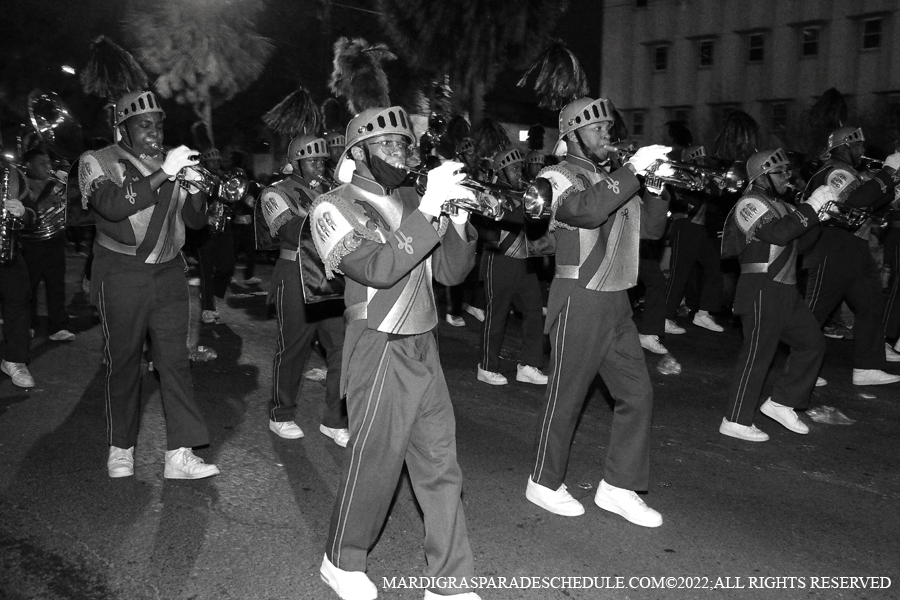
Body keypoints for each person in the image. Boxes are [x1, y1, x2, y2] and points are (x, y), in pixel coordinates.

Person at [310, 104, 481, 600]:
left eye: (405, 143)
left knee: (440, 463)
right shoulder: (332, 207)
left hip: (424, 340)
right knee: (376, 461)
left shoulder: (412, 197)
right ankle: (341, 560)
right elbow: (378, 269)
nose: (401, 152)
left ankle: (449, 581)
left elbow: (450, 273)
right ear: (358, 152)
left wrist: (458, 220)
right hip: (378, 341)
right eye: (388, 143)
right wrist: (430, 211)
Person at [526, 96, 670, 528]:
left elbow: (653, 231)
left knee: (638, 394)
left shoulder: (613, 178)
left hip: (617, 298)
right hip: (580, 297)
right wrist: (632, 173)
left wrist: (656, 187)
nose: (607, 135)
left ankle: (618, 486)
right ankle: (543, 482)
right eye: (596, 128)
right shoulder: (556, 175)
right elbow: (585, 212)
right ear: (572, 135)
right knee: (567, 396)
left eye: (608, 127)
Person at [78, 90, 219, 480]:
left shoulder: (170, 161)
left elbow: (196, 223)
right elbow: (112, 206)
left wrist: (196, 191)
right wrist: (164, 174)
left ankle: (180, 453)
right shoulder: (96, 160)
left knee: (175, 362)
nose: (154, 133)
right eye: (144, 125)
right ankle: (121, 446)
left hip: (169, 271)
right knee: (124, 362)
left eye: (158, 125)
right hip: (121, 273)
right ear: (122, 128)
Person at [719, 149, 832, 442]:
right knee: (758, 356)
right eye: (781, 173)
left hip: (786, 289)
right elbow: (778, 234)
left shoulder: (783, 205)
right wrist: (810, 207)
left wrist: (818, 217)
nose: (787, 178)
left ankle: (781, 401)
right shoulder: (749, 202)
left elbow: (799, 244)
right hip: (761, 287)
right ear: (762, 176)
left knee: (812, 343)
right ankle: (735, 420)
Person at [259, 135, 348, 446]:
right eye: (312, 161)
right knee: (294, 348)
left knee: (342, 348)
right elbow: (292, 229)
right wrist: (338, 209)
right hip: (295, 272)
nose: (319, 166)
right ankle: (280, 414)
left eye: (322, 161)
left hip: (330, 275)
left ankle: (335, 420)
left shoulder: (333, 190)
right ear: (295, 163)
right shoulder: (274, 192)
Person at [802, 127, 900, 385]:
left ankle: (867, 367)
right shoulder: (835, 171)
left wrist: (892, 189)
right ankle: (800, 370)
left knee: (871, 305)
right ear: (845, 146)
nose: (863, 150)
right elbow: (856, 201)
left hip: (854, 247)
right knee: (815, 311)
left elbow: (867, 204)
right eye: (858, 145)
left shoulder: (848, 172)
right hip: (832, 247)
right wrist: (888, 173)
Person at [476, 148, 548, 385]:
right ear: (501, 171)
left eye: (520, 167)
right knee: (497, 314)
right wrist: (527, 206)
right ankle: (486, 366)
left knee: (534, 311)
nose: (519, 172)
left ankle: (528, 364)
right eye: (514, 168)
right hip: (499, 259)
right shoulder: (490, 192)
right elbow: (497, 223)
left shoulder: (523, 191)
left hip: (524, 261)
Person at [663, 146, 725, 336]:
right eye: (700, 160)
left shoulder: (703, 179)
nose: (704, 163)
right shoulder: (680, 177)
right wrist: (710, 185)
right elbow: (689, 202)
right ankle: (664, 317)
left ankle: (704, 313)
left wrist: (719, 188)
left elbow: (713, 207)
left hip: (702, 231)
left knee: (715, 270)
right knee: (679, 275)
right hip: (685, 228)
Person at [20, 148, 75, 341]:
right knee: (29, 287)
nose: (48, 167)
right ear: (29, 165)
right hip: (29, 242)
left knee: (56, 284)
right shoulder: (20, 185)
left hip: (54, 240)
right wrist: (41, 206)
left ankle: (58, 327)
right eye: (42, 163)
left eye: (48, 163)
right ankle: (27, 324)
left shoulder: (58, 184)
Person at [0, 159, 37, 388]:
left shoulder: (13, 174)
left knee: (19, 301)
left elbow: (34, 215)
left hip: (8, 250)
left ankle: (14, 359)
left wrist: (23, 212)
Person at [194, 148, 236, 324]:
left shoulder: (223, 178)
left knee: (227, 266)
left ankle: (212, 293)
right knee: (206, 270)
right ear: (204, 162)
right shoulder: (198, 178)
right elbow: (193, 205)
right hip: (205, 229)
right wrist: (206, 217)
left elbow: (233, 198)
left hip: (223, 227)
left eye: (218, 161)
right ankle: (207, 308)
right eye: (212, 161)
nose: (216, 164)